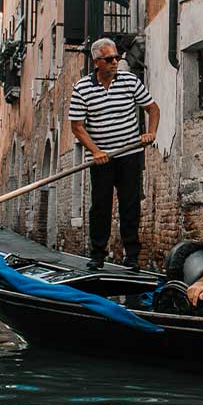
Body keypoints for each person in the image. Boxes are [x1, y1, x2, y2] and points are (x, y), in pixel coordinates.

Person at [69, 37, 161, 271]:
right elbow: (77, 126)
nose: (115, 62)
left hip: (129, 153)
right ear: (96, 61)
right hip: (102, 158)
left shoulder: (130, 81)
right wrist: (95, 151)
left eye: (116, 58)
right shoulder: (82, 88)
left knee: (130, 205)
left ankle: (131, 257)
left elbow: (152, 108)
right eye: (109, 59)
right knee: (100, 206)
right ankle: (98, 255)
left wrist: (150, 133)